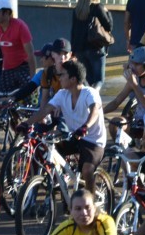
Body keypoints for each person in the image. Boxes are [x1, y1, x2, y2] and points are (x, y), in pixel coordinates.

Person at [24, 60, 106, 194]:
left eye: (62, 75)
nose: (59, 77)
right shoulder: (62, 94)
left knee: (86, 170)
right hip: (74, 136)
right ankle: (63, 179)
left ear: (73, 79)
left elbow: (94, 111)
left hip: (93, 141)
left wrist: (85, 127)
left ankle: (91, 202)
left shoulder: (90, 93)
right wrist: (26, 123)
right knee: (50, 150)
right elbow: (44, 111)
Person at [103, 46, 145, 140]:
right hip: (138, 122)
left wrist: (135, 85)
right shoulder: (135, 79)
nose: (132, 67)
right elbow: (117, 101)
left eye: (136, 64)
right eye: (131, 64)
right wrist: (99, 112)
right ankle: (123, 151)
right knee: (114, 124)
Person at [0, 0, 37, 93]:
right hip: (8, 69)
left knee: (28, 99)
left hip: (24, 67)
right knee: (3, 101)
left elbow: (31, 54)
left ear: (7, 13)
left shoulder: (20, 26)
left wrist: (33, 81)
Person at [70, 0, 114, 89]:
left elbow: (73, 31)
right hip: (96, 48)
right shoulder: (97, 7)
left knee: (88, 79)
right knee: (99, 80)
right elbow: (109, 26)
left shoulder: (77, 10)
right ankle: (94, 97)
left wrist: (73, 51)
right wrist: (107, 12)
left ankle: (88, 100)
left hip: (80, 50)